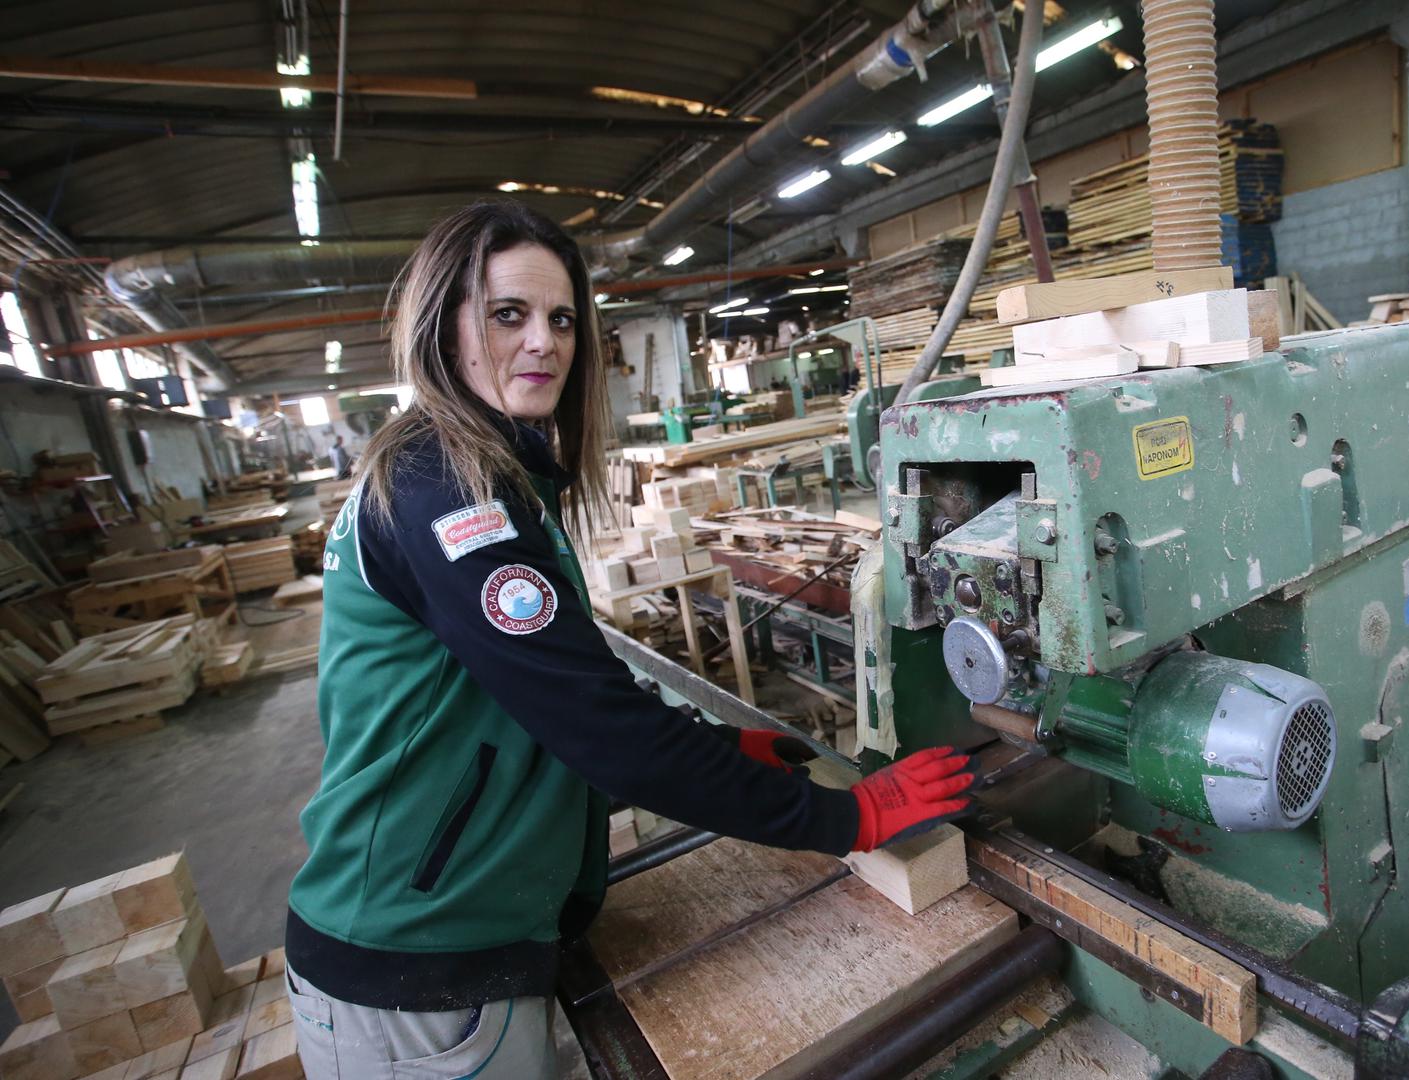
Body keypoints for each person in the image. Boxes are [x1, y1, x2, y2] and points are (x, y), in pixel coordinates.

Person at [284, 200, 977, 1078]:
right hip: (416, 966)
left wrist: (724, 745)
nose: (543, 342)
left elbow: (548, 687)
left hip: (460, 935)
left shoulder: (482, 477)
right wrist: (848, 816)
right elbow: (599, 729)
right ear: (439, 325)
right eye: (507, 314)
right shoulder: (444, 491)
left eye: (561, 319)